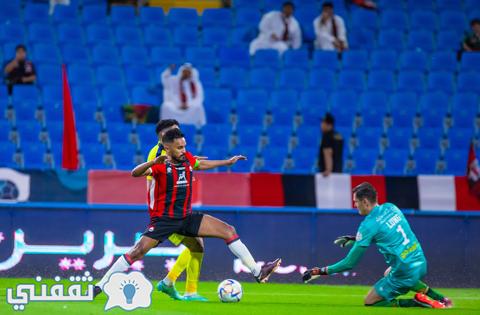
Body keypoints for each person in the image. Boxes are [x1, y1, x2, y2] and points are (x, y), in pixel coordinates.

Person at [93, 128, 281, 298]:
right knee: (137, 252)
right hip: (165, 221)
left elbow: (201, 164)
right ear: (167, 148)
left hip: (186, 217)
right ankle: (101, 286)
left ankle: (258, 271)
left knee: (228, 230)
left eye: (184, 146)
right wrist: (153, 161)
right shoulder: (160, 165)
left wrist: (228, 162)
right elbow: (135, 173)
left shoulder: (187, 159)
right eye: (179, 147)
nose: (183, 150)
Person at [302, 182, 452, 309]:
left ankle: (416, 302)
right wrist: (356, 239)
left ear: (365, 202)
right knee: (390, 273)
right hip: (419, 261)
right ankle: (440, 299)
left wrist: (319, 271)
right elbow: (387, 233)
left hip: (405, 270)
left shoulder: (368, 225)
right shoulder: (391, 207)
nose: (355, 205)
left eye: (356, 202)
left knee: (370, 301)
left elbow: (349, 264)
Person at [147, 119, 208, 301]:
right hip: (165, 212)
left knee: (197, 244)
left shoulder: (174, 152)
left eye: (178, 132)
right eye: (173, 133)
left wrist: (190, 163)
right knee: (196, 244)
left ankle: (178, 286)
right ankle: (179, 287)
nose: (177, 136)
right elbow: (162, 177)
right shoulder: (157, 154)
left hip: (178, 209)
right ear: (162, 137)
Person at [160, 63, 207, 128]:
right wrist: (169, 70)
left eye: (188, 72)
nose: (186, 74)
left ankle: (199, 129)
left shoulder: (196, 84)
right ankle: (166, 127)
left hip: (190, 108)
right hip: (176, 107)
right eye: (185, 72)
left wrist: (188, 105)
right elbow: (165, 79)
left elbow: (199, 98)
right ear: (181, 72)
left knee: (199, 107)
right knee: (165, 106)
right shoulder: (174, 80)